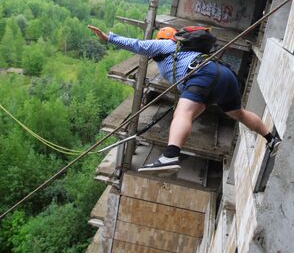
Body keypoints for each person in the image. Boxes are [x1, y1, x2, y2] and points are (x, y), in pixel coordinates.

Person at [87, 25, 281, 173]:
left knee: (183, 113)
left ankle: (170, 156)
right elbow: (201, 104)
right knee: (237, 113)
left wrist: (109, 38)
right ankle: (271, 139)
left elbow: (138, 45)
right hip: (224, 75)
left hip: (202, 74)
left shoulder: (165, 44)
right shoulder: (189, 49)